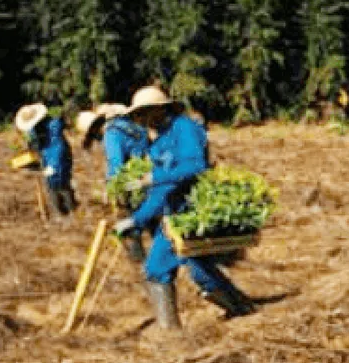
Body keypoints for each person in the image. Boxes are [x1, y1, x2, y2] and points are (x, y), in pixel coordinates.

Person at [113, 86, 255, 330]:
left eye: (145, 114)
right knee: (157, 269)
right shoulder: (157, 141)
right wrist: (136, 220)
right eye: (139, 116)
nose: (142, 120)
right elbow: (162, 191)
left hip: (192, 210)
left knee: (198, 270)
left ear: (159, 109)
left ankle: (240, 308)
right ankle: (171, 332)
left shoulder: (184, 128)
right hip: (171, 214)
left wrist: (154, 176)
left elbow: (196, 166)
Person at [77, 103, 152, 263]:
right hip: (149, 177)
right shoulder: (135, 126)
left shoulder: (111, 133)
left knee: (127, 222)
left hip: (131, 183)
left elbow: (116, 165)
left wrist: (112, 188)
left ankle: (138, 260)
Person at [14, 103, 77, 216]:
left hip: (59, 158)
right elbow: (34, 146)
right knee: (50, 185)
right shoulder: (34, 130)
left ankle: (71, 213)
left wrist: (53, 166)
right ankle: (59, 213)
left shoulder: (53, 126)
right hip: (47, 157)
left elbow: (58, 148)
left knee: (61, 183)